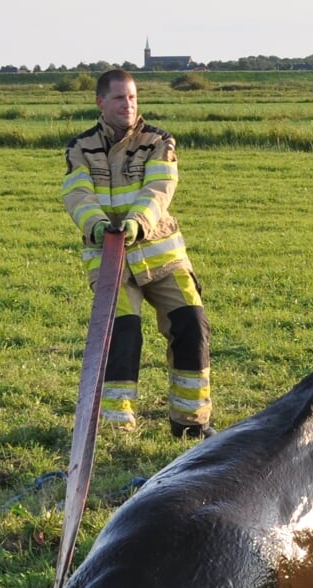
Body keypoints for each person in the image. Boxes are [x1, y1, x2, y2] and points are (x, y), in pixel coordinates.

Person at [61, 68, 214, 439]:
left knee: (192, 326)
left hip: (162, 254)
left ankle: (190, 423)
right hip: (111, 260)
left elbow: (160, 188)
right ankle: (116, 427)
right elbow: (77, 195)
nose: (127, 105)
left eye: (132, 97)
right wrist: (97, 224)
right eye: (118, 98)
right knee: (122, 335)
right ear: (100, 102)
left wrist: (136, 222)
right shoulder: (80, 148)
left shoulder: (158, 140)